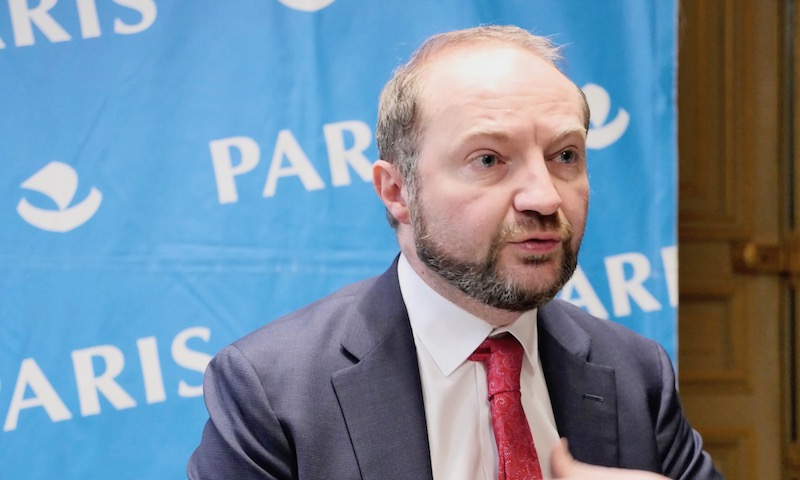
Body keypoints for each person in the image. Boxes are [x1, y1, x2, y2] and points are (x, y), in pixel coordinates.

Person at [188, 25, 722, 480]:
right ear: (397, 192)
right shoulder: (270, 390)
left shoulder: (635, 372)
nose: (544, 196)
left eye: (565, 155)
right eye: (488, 160)